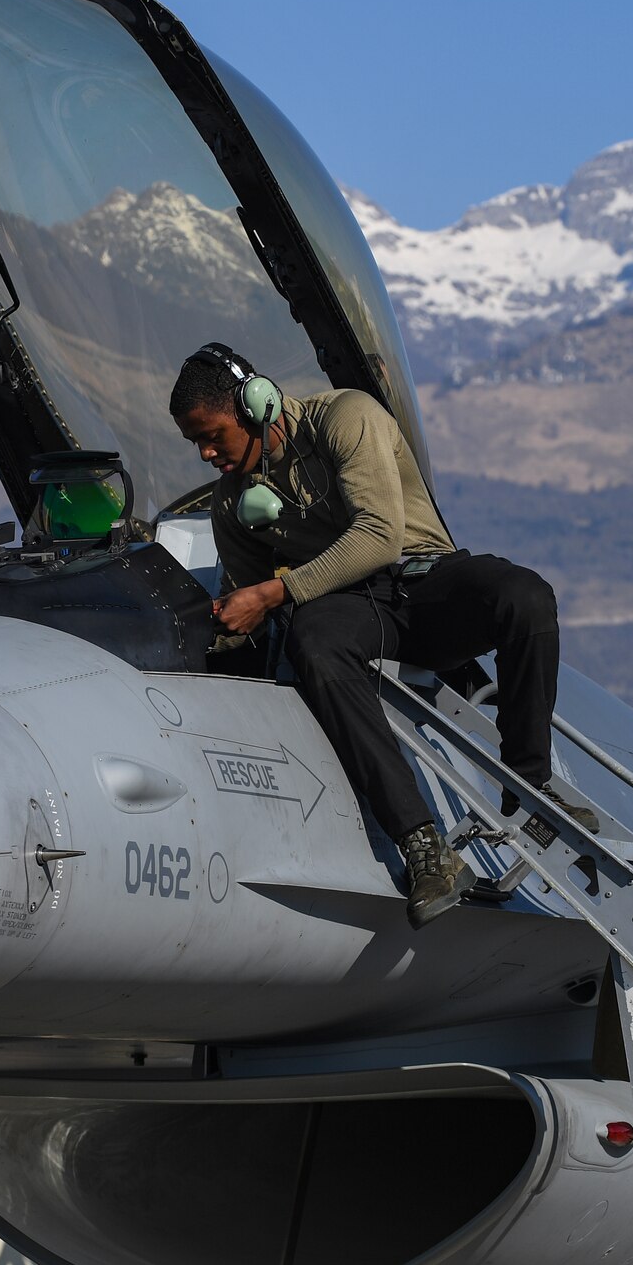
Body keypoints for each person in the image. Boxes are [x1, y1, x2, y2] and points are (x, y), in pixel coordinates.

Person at [168, 343, 596, 929]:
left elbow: (379, 538)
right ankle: (423, 846)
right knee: (314, 646)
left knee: (525, 598)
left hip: (420, 584)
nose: (206, 453)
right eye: (196, 443)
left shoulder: (348, 417)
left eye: (212, 435)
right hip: (349, 612)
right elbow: (257, 609)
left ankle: (530, 785)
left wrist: (272, 593)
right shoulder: (232, 505)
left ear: (254, 404)